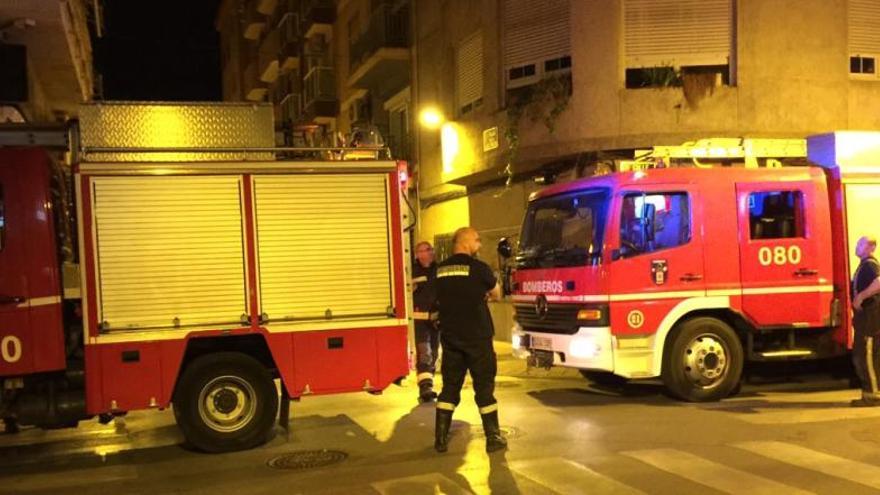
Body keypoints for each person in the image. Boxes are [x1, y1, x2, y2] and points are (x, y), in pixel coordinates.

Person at [433, 227, 506, 454]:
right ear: (465, 243)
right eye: (477, 240)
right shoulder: (479, 269)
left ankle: (441, 439)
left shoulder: (440, 270)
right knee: (484, 388)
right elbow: (497, 294)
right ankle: (493, 437)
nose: (480, 245)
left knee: (449, 389)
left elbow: (437, 299)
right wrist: (483, 295)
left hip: (451, 338)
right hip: (478, 338)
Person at [851, 235, 880, 407]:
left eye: (860, 244)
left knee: (866, 353)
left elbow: (879, 282)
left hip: (871, 315)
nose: (857, 246)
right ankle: (870, 392)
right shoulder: (865, 264)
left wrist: (861, 296)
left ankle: (873, 395)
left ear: (870, 247)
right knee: (864, 353)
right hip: (867, 315)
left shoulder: (870, 264)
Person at [412, 241, 440, 403]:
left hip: (436, 319)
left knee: (435, 352)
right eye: (424, 250)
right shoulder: (413, 271)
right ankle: (425, 388)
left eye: (430, 249)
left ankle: (429, 381)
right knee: (425, 352)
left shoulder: (439, 270)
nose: (429, 252)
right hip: (419, 320)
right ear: (417, 254)